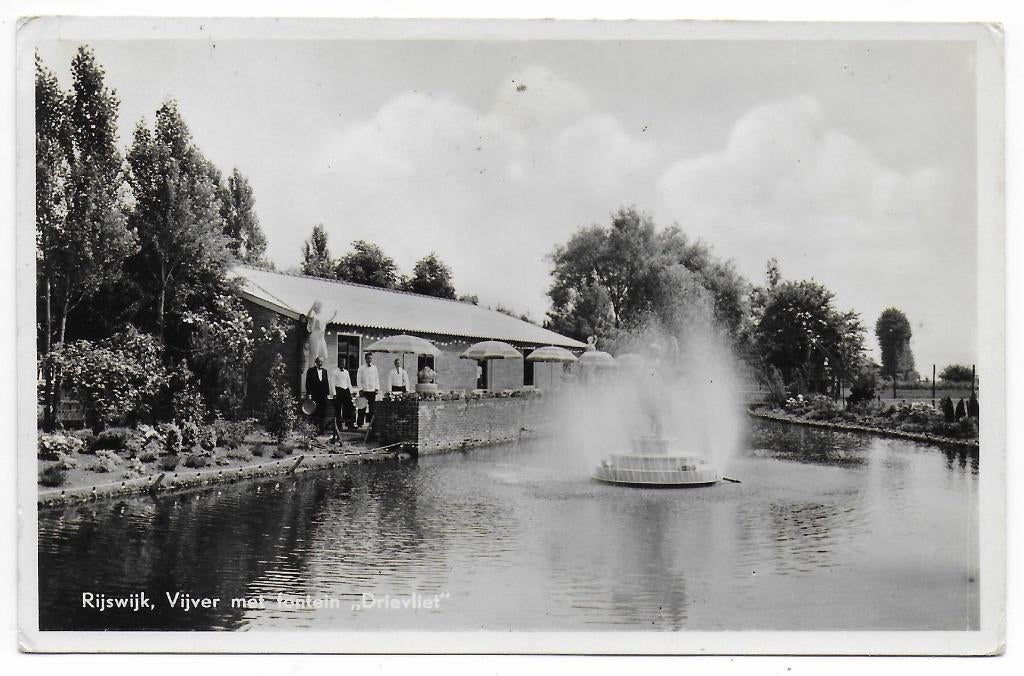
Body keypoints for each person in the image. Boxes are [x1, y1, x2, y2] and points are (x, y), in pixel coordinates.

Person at [304, 356, 338, 439]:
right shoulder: (310, 371)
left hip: (323, 396)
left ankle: (321, 430)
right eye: (318, 361)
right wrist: (309, 394)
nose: (320, 363)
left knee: (322, 412)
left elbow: (326, 383)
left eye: (321, 362)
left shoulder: (324, 371)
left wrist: (328, 394)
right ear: (316, 362)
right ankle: (314, 430)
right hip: (314, 395)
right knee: (314, 412)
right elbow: (308, 383)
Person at [304, 300, 337, 370]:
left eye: (321, 307)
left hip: (321, 336)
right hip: (315, 335)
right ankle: (312, 369)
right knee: (314, 354)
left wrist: (334, 315)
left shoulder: (322, 317)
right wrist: (312, 306)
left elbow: (327, 322)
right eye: (319, 307)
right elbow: (308, 316)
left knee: (323, 354)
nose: (321, 308)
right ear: (316, 308)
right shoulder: (314, 316)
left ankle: (318, 368)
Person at [356, 352, 381, 427]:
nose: (369, 360)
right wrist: (360, 389)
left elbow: (377, 379)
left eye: (371, 358)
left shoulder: (374, 368)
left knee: (372, 408)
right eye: (368, 358)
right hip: (364, 390)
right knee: (362, 407)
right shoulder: (361, 368)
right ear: (365, 359)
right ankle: (360, 423)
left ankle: (371, 424)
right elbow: (358, 379)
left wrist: (377, 388)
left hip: (372, 390)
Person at [330, 362, 356, 431]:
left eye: (343, 363)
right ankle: (339, 426)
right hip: (338, 391)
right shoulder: (334, 372)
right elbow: (332, 383)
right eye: (341, 363)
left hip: (346, 391)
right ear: (338, 363)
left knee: (349, 407)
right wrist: (334, 394)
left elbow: (349, 383)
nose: (342, 364)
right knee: (338, 409)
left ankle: (350, 424)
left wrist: (351, 392)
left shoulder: (346, 372)